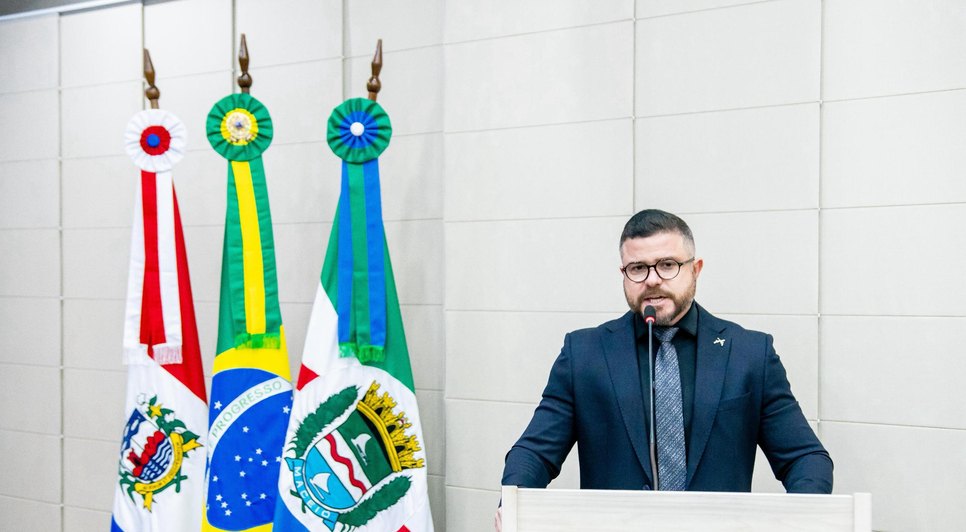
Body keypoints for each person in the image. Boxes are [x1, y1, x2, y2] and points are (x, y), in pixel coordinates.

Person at [495, 209, 832, 530]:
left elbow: (805, 457)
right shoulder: (584, 354)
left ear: (695, 269)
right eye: (638, 268)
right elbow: (534, 453)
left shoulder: (750, 354)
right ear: (623, 274)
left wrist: (801, 518)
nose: (652, 280)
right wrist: (512, 508)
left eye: (668, 265)